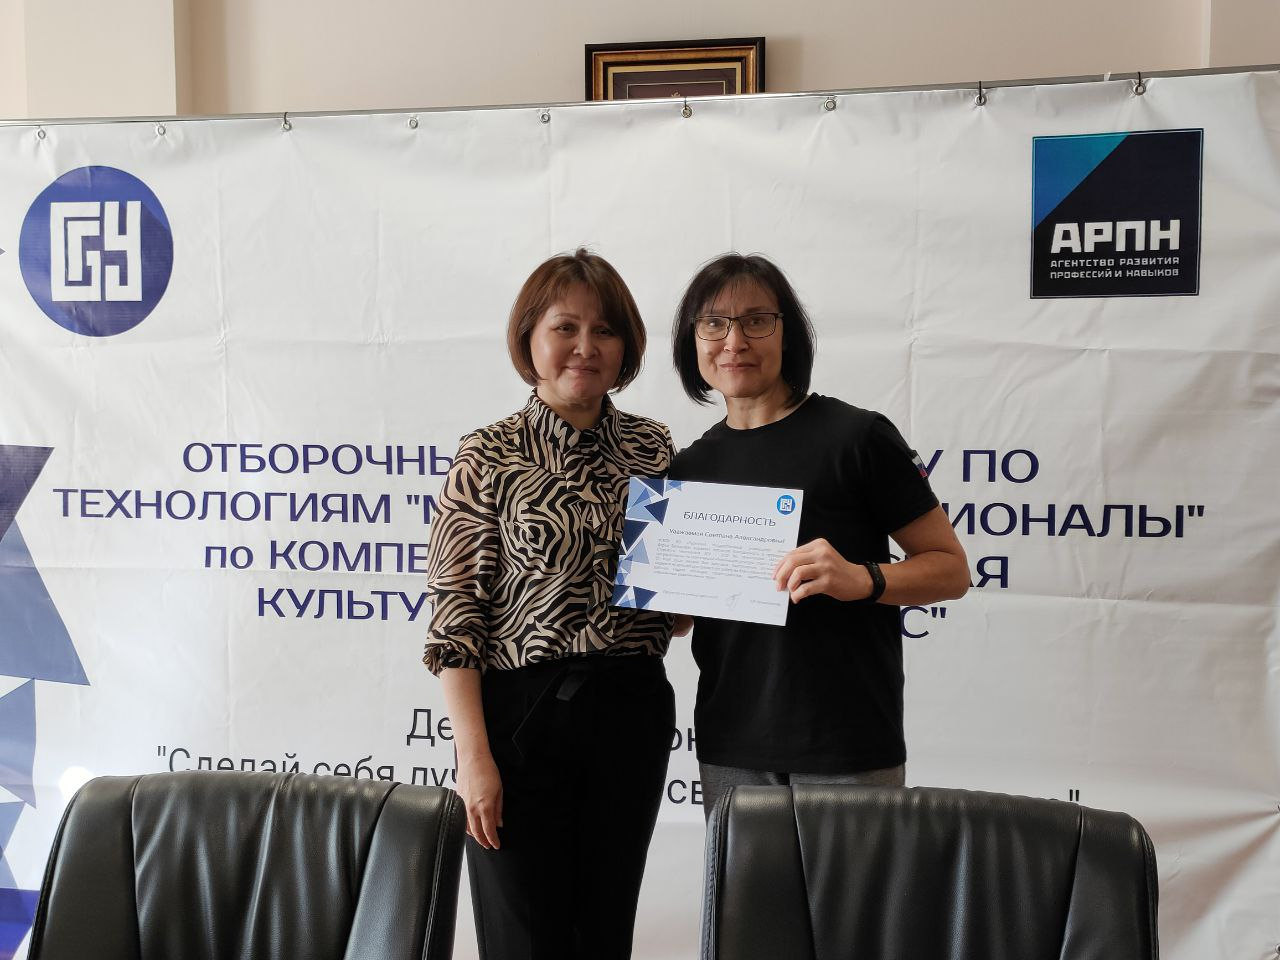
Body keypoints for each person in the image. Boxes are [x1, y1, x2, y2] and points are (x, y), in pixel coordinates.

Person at [423, 249, 676, 960]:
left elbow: (670, 606)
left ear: (626, 347)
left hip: (630, 711)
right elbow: (455, 623)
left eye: (605, 330)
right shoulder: (488, 455)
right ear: (529, 338)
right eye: (566, 327)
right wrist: (474, 759)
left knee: (605, 930)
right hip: (520, 719)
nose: (585, 347)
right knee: (524, 936)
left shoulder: (653, 448)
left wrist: (730, 572)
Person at [667, 253, 970, 816]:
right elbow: (684, 619)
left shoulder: (857, 437)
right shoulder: (687, 470)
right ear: (693, 341)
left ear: (788, 334)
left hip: (846, 743)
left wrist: (862, 578)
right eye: (713, 323)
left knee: (856, 882)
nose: (734, 341)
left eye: (757, 320)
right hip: (731, 745)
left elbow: (952, 570)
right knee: (742, 883)